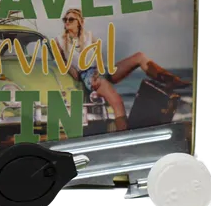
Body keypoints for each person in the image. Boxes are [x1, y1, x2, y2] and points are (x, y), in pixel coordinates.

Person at [54, 8, 190, 133]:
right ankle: (124, 134)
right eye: (65, 19)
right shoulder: (59, 42)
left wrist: (99, 71)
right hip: (87, 76)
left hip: (101, 70)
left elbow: (98, 58)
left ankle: (171, 80)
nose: (67, 22)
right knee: (117, 102)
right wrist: (90, 79)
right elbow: (72, 72)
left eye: (71, 19)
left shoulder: (88, 37)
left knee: (139, 57)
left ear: (80, 22)